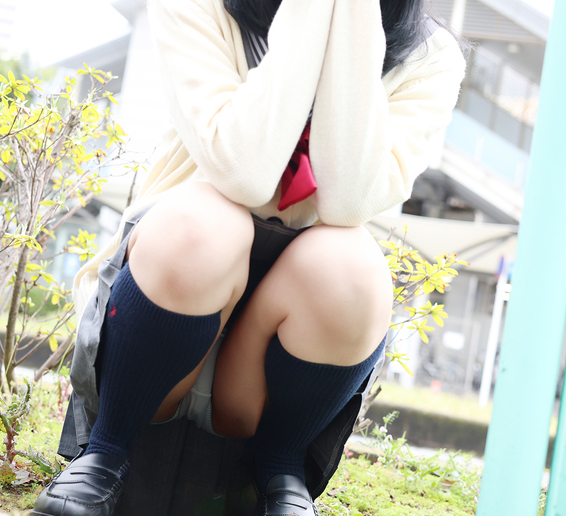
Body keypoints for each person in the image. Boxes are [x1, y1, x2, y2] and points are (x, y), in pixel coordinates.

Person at [32, 0, 466, 514]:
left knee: (353, 267)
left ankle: (278, 473)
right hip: (170, 294)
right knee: (206, 226)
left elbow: (348, 199)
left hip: (294, 334)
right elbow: (243, 172)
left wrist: (351, 14)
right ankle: (105, 453)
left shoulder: (430, 56)